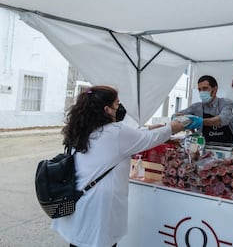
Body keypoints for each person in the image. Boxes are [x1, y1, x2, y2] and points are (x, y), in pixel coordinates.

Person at [52, 85, 186, 247]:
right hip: (99, 210)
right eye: (117, 104)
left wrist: (148, 129)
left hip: (80, 202)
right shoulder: (115, 133)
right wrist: (172, 128)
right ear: (107, 109)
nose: (120, 108)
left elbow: (131, 137)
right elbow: (146, 140)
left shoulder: (82, 129)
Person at [176, 75, 233, 144]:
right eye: (199, 89)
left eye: (205, 88)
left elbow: (222, 119)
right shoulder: (196, 107)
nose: (201, 92)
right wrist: (190, 126)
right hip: (205, 147)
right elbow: (177, 115)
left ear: (214, 90)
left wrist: (200, 121)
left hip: (226, 147)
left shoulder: (226, 103)